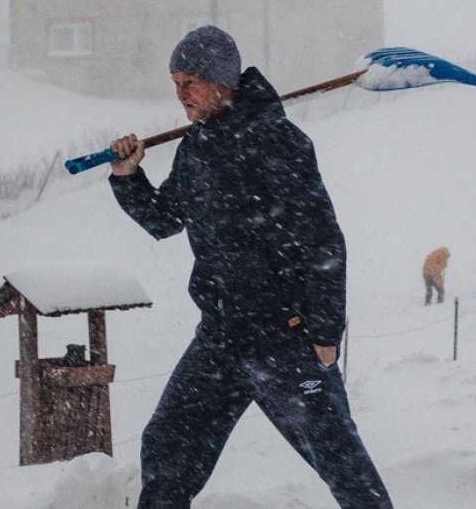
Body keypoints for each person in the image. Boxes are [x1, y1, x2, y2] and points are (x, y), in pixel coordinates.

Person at [107, 26, 392, 509]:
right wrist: (127, 176)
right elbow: (165, 220)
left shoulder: (277, 140)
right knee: (170, 444)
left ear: (221, 81)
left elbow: (322, 240)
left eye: (190, 83)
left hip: (285, 336)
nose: (181, 95)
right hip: (221, 337)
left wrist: (325, 330)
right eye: (175, 84)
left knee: (340, 461)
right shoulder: (198, 147)